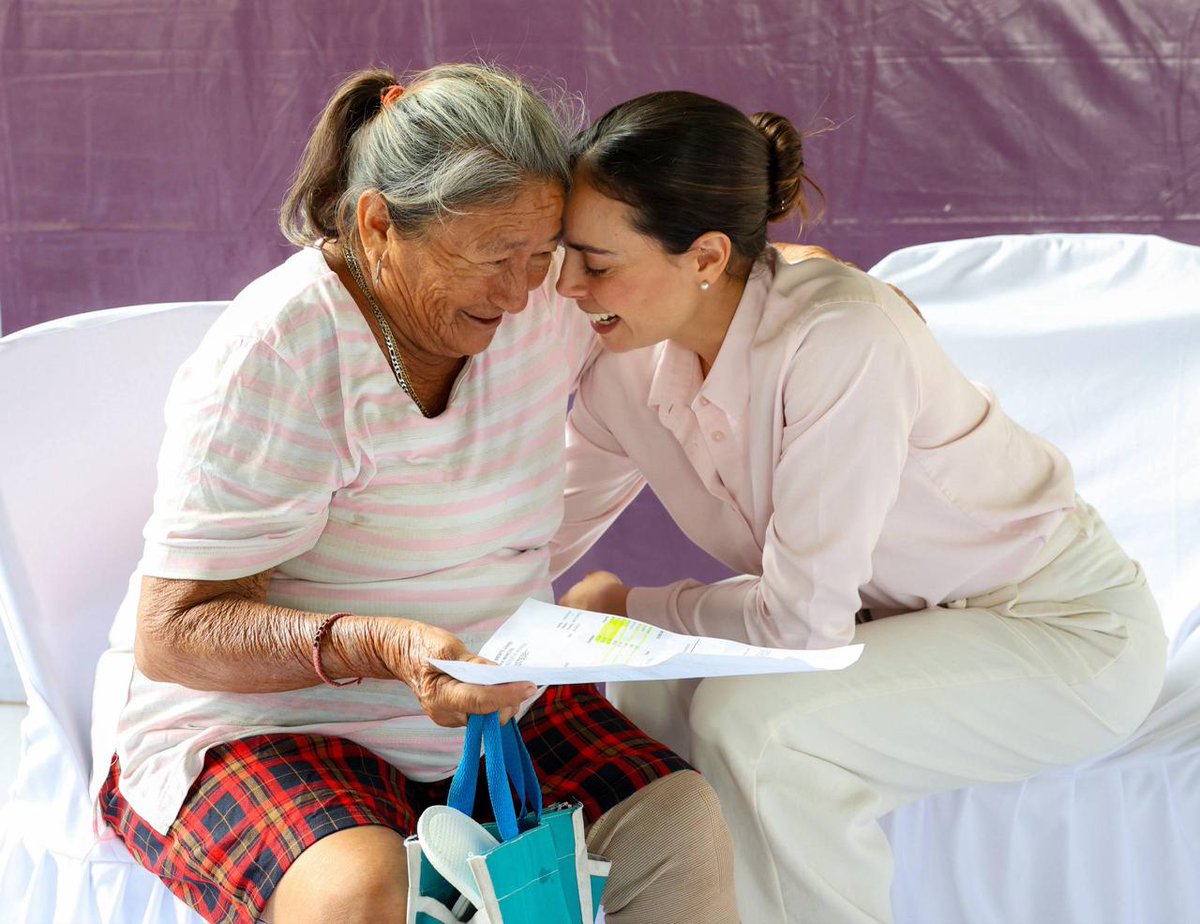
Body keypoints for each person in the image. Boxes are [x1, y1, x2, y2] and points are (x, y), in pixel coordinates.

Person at [90, 67, 738, 924]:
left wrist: (788, 286)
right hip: (266, 722)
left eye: (540, 255)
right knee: (360, 891)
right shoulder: (283, 346)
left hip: (487, 698)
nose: (519, 294)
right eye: (489, 259)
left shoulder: (549, 293)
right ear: (378, 224)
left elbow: (695, 279)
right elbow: (174, 633)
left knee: (676, 826)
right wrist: (380, 646)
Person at [550, 90, 1168, 924]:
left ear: (704, 256)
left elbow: (802, 629)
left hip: (1058, 627)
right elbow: (531, 537)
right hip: (891, 628)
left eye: (596, 262)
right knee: (629, 696)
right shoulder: (622, 360)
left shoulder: (840, 338)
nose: (566, 285)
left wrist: (631, 609)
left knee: (760, 724)